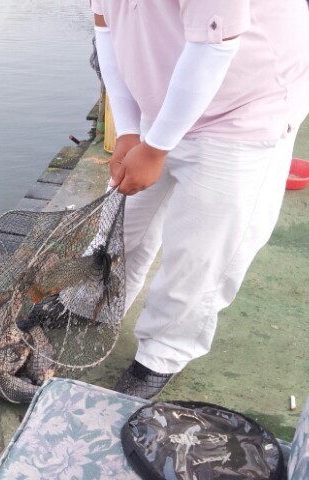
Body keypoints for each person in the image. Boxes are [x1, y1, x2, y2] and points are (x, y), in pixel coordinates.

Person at [91, 0, 309, 398]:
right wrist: (128, 130)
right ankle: (92, 306)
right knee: (119, 223)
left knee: (198, 254)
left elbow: (213, 46)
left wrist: (155, 149)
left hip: (242, 108)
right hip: (162, 92)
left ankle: (161, 353)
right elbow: (105, 27)